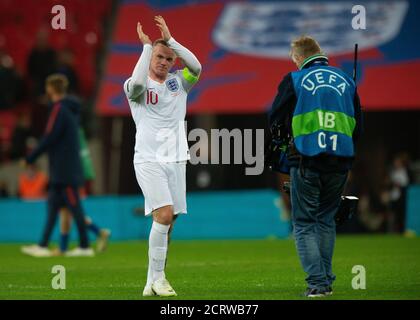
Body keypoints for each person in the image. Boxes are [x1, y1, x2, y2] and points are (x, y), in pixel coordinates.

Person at [267, 36, 362, 297]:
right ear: (321, 53)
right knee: (325, 222)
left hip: (306, 159)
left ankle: (319, 284)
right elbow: (358, 126)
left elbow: (275, 117)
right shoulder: (346, 80)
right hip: (341, 161)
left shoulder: (295, 79)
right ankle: (325, 281)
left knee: (305, 223)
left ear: (298, 57)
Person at [123, 16, 201, 297]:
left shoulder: (180, 83)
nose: (164, 62)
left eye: (168, 58)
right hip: (148, 159)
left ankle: (151, 281)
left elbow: (196, 66)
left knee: (169, 222)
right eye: (159, 56)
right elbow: (136, 86)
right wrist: (146, 48)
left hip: (177, 159)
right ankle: (160, 279)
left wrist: (171, 41)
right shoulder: (135, 86)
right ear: (150, 57)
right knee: (164, 215)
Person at [21, 74, 94, 257]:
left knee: (75, 208)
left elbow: (49, 137)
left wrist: (30, 158)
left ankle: (85, 246)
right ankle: (43, 245)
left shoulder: (58, 109)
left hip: (65, 170)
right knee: (53, 208)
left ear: (50, 89)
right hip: (63, 169)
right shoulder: (70, 109)